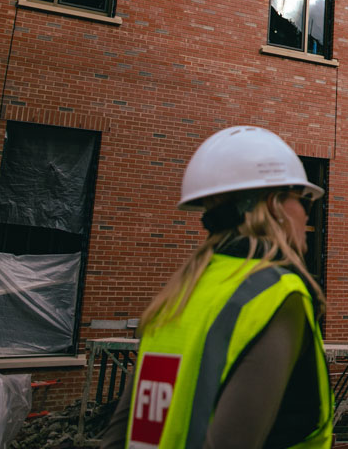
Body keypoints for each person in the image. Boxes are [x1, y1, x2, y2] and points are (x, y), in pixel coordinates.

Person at [100, 126, 333, 449]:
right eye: (302, 197)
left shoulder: (180, 293)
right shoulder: (278, 295)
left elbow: (119, 434)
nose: (307, 211)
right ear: (275, 205)